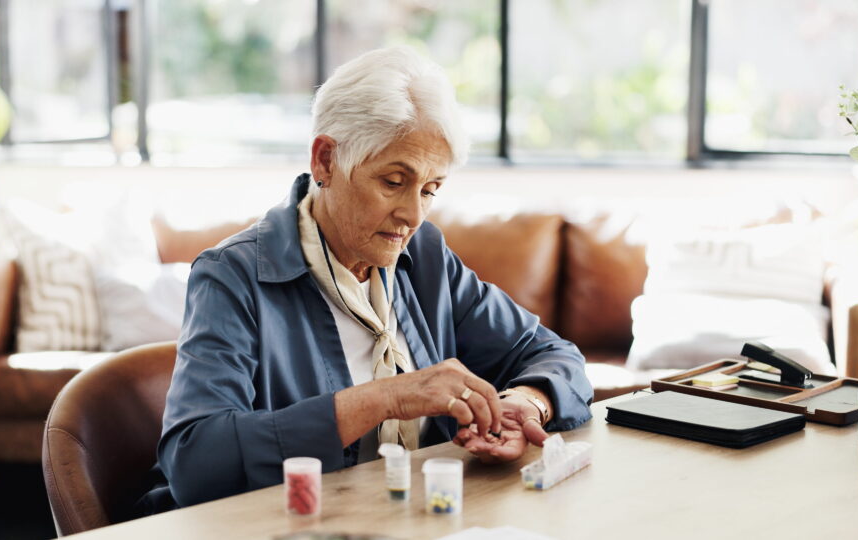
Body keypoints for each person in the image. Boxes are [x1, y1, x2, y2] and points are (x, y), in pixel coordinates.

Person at [136, 47, 592, 514]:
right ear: (326, 160)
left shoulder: (425, 256)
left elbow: (553, 354)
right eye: (394, 181)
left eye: (431, 189)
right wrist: (387, 398)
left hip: (416, 519)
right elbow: (195, 462)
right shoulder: (232, 276)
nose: (413, 215)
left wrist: (525, 403)